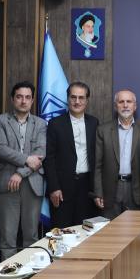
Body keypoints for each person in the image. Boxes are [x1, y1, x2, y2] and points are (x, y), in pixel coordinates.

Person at [0, 81, 47, 258]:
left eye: (27, 97)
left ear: (32, 100)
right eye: (19, 97)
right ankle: (9, 274)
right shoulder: (1, 120)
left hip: (32, 183)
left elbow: (40, 154)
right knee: (7, 237)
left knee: (31, 236)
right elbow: (1, 148)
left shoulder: (41, 124)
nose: (23, 101)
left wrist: (19, 173)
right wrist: (26, 159)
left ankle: (31, 273)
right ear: (12, 99)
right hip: (7, 183)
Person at [45, 81, 98, 228]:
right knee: (62, 231)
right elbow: (49, 159)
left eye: (81, 98)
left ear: (87, 100)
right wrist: (54, 187)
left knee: (85, 232)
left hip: (87, 188)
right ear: (67, 99)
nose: (77, 101)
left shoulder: (94, 123)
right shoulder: (55, 124)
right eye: (73, 97)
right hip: (62, 189)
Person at [93, 90, 140, 219]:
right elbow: (97, 165)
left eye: (129, 101)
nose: (125, 105)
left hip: (135, 190)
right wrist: (98, 193)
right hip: (110, 191)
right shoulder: (103, 130)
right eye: (121, 102)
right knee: (110, 229)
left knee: (134, 229)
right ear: (116, 106)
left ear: (135, 106)